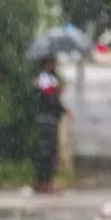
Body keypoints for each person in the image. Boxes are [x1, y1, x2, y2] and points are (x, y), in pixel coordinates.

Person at [32, 56, 68, 193]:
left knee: (46, 152)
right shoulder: (45, 80)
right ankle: (44, 182)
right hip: (48, 121)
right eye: (52, 63)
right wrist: (57, 95)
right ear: (47, 64)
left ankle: (44, 182)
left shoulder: (46, 80)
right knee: (47, 152)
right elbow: (51, 100)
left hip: (47, 120)